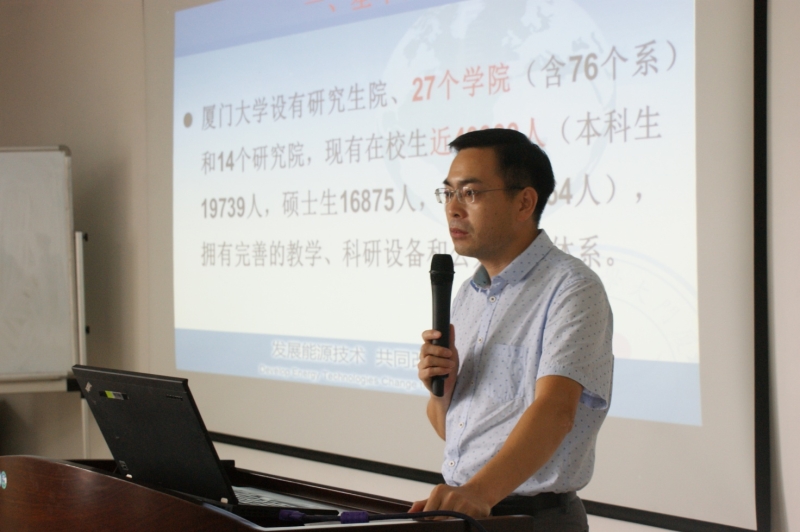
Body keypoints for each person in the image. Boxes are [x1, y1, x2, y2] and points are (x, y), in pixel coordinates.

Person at [411, 129, 614, 531]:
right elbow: (452, 430)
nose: (453, 209)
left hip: (533, 520)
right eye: (448, 193)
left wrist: (478, 493)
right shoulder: (468, 294)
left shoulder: (571, 288)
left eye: (470, 193)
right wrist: (442, 392)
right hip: (467, 511)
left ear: (524, 202)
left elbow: (555, 411)